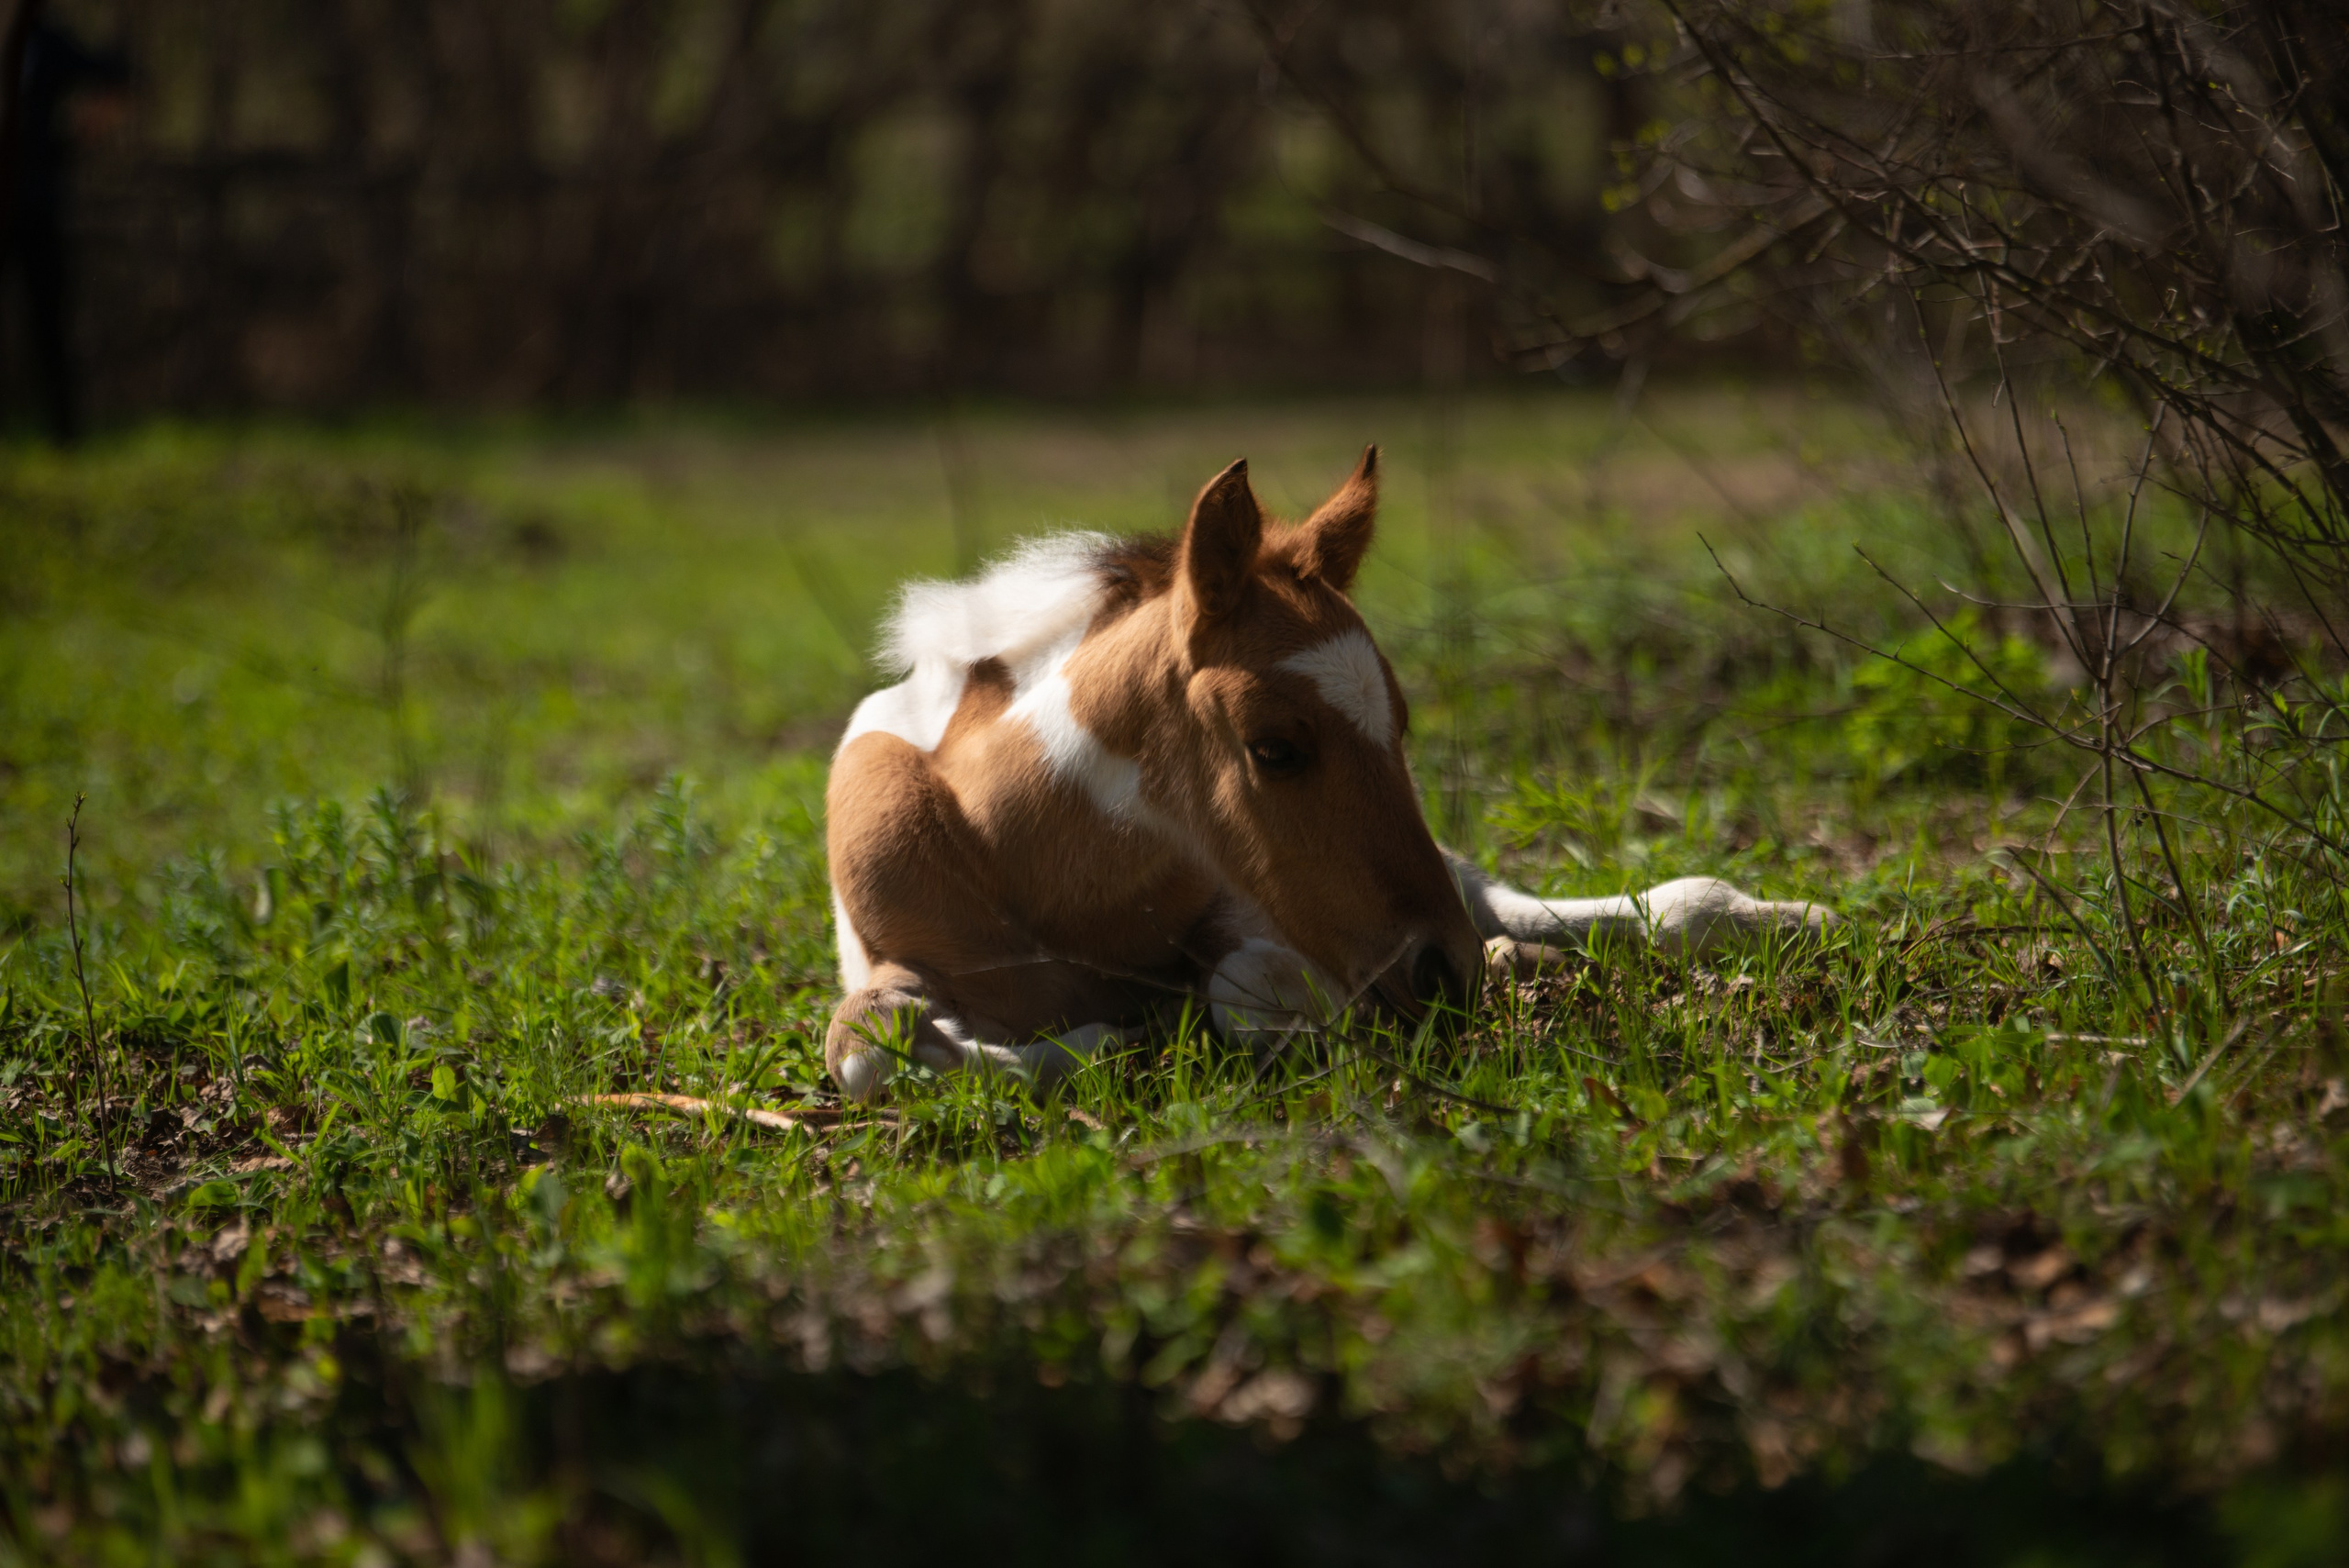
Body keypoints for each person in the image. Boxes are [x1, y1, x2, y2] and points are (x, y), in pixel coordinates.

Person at [0, 1, 128, 446]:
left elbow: (115, 74)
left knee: (47, 322)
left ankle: (64, 434)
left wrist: (73, 139)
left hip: (34, 203)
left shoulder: (48, 43)